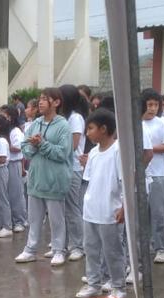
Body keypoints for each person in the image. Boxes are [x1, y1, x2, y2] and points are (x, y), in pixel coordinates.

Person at [14, 87, 72, 266]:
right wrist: (33, 145)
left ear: (56, 102)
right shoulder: (35, 124)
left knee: (56, 220)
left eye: (45, 99)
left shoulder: (63, 125)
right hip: (36, 179)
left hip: (55, 181)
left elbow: (62, 153)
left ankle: (59, 250)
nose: (40, 102)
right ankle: (30, 249)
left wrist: (42, 144)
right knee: (34, 219)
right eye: (40, 99)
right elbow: (25, 148)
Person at [76, 108, 128, 298]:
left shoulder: (118, 151)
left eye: (91, 128)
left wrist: (124, 207)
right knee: (90, 249)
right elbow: (90, 179)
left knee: (113, 251)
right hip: (91, 210)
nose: (87, 133)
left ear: (104, 129)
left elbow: (125, 182)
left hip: (110, 211)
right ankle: (93, 283)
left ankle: (118, 286)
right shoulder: (93, 152)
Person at [141, 89, 164, 264]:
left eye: (155, 105)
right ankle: (144, 247)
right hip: (140, 175)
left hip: (157, 173)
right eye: (149, 104)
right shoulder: (137, 122)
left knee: (159, 213)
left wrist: (148, 149)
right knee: (142, 214)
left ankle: (161, 248)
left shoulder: (161, 123)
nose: (152, 108)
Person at [60, 84, 89, 262]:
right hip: (63, 167)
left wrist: (52, 148)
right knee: (62, 209)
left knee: (72, 208)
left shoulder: (75, 118)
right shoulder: (65, 117)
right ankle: (62, 245)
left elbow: (74, 144)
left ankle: (77, 246)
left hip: (73, 168)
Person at [8, 105, 29, 233]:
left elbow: (19, 148)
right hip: (7, 164)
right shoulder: (7, 131)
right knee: (9, 194)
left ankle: (20, 220)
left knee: (16, 193)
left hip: (15, 163)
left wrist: (5, 145)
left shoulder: (16, 131)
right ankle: (13, 219)